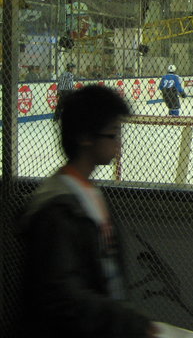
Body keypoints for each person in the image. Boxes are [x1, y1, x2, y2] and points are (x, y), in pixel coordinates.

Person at [20, 85, 159, 338]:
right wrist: (125, 320)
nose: (119, 143)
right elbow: (63, 296)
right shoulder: (56, 209)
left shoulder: (89, 194)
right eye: (113, 134)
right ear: (85, 137)